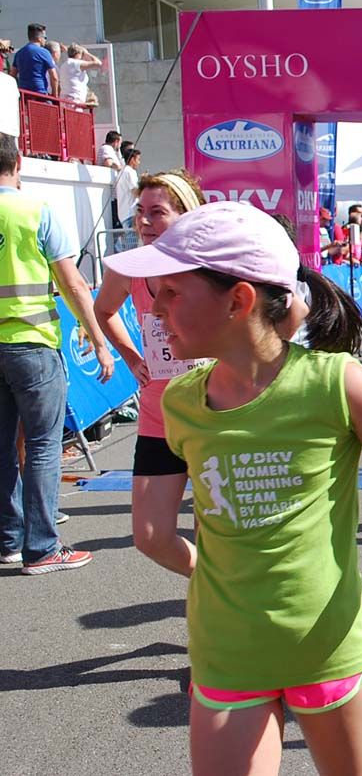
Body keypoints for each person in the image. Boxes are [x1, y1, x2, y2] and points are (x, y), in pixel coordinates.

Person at [102, 200, 362, 774]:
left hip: (328, 650)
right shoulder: (178, 402)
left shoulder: (337, 383)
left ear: (239, 300)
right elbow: (152, 535)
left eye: (171, 293)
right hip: (225, 655)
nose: (153, 311)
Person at [0, 132, 111, 574]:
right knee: (44, 444)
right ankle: (42, 547)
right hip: (31, 343)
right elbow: (73, 283)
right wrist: (98, 338)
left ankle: (9, 540)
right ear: (20, 163)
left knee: (2, 447)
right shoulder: (37, 210)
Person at [94, 171, 207, 575]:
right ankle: (215, 585)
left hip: (216, 409)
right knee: (149, 535)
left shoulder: (210, 267)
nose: (143, 222)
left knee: (212, 532)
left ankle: (218, 610)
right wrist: (130, 357)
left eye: (156, 213)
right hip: (159, 411)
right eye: (140, 212)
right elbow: (103, 310)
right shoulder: (129, 268)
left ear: (186, 215)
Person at [12, 24, 57, 98]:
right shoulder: (44, 52)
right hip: (40, 94)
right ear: (39, 38)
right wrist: (55, 97)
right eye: (45, 37)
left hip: (24, 95)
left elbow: (12, 75)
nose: (45, 40)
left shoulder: (19, 53)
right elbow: (54, 77)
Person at [116, 147, 141, 229]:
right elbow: (135, 192)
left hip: (123, 214)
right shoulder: (130, 172)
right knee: (132, 241)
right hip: (131, 213)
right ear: (132, 159)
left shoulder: (121, 172)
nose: (139, 162)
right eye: (138, 159)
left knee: (128, 240)